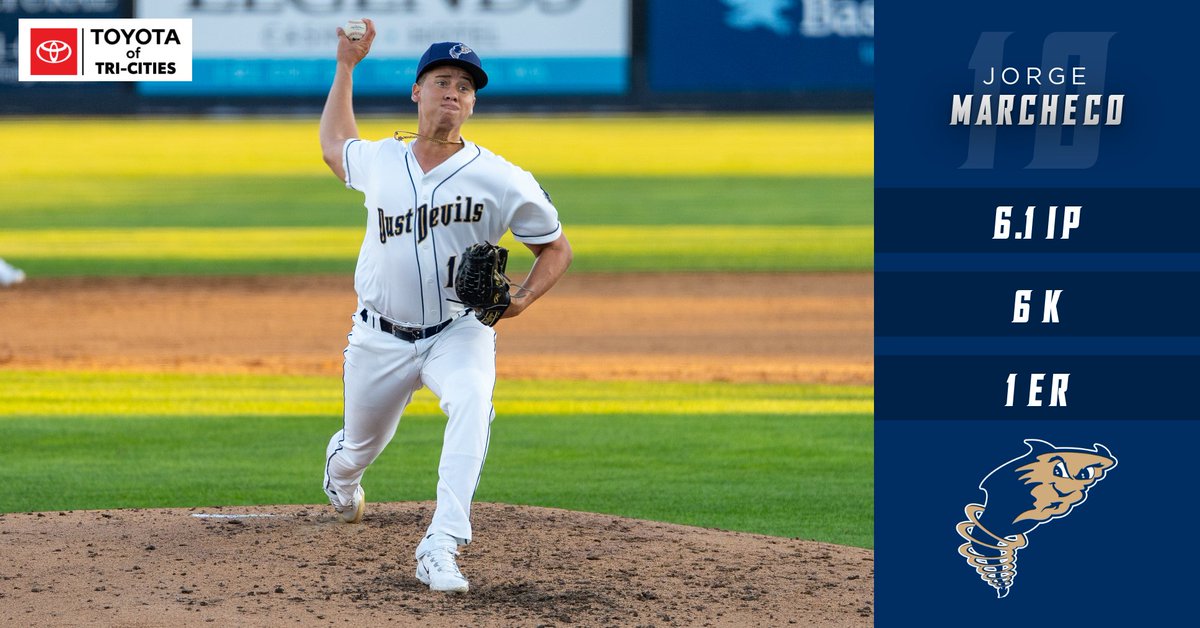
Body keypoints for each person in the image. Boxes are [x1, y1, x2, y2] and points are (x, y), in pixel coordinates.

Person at [317, 19, 572, 594]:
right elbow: (335, 147)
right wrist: (345, 66)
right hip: (378, 337)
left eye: (464, 85)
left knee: (474, 402)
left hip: (458, 331)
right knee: (358, 449)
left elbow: (556, 247)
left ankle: (441, 544)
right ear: (417, 92)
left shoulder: (501, 177)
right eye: (441, 81)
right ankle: (342, 475)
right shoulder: (383, 159)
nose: (452, 92)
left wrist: (523, 299)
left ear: (473, 104)